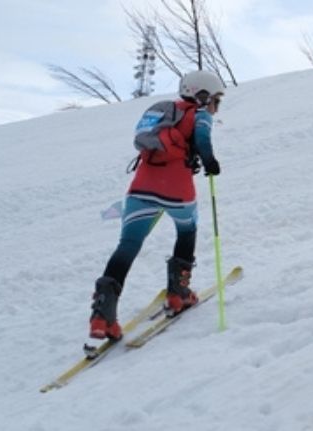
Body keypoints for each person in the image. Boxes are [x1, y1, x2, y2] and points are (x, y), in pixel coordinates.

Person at [88, 70, 224, 340]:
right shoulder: (200, 115)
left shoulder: (164, 112)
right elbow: (203, 140)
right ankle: (179, 293)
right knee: (187, 232)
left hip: (140, 189)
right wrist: (210, 162)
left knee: (127, 246)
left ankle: (102, 318)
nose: (215, 107)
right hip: (177, 191)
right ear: (202, 96)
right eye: (215, 100)